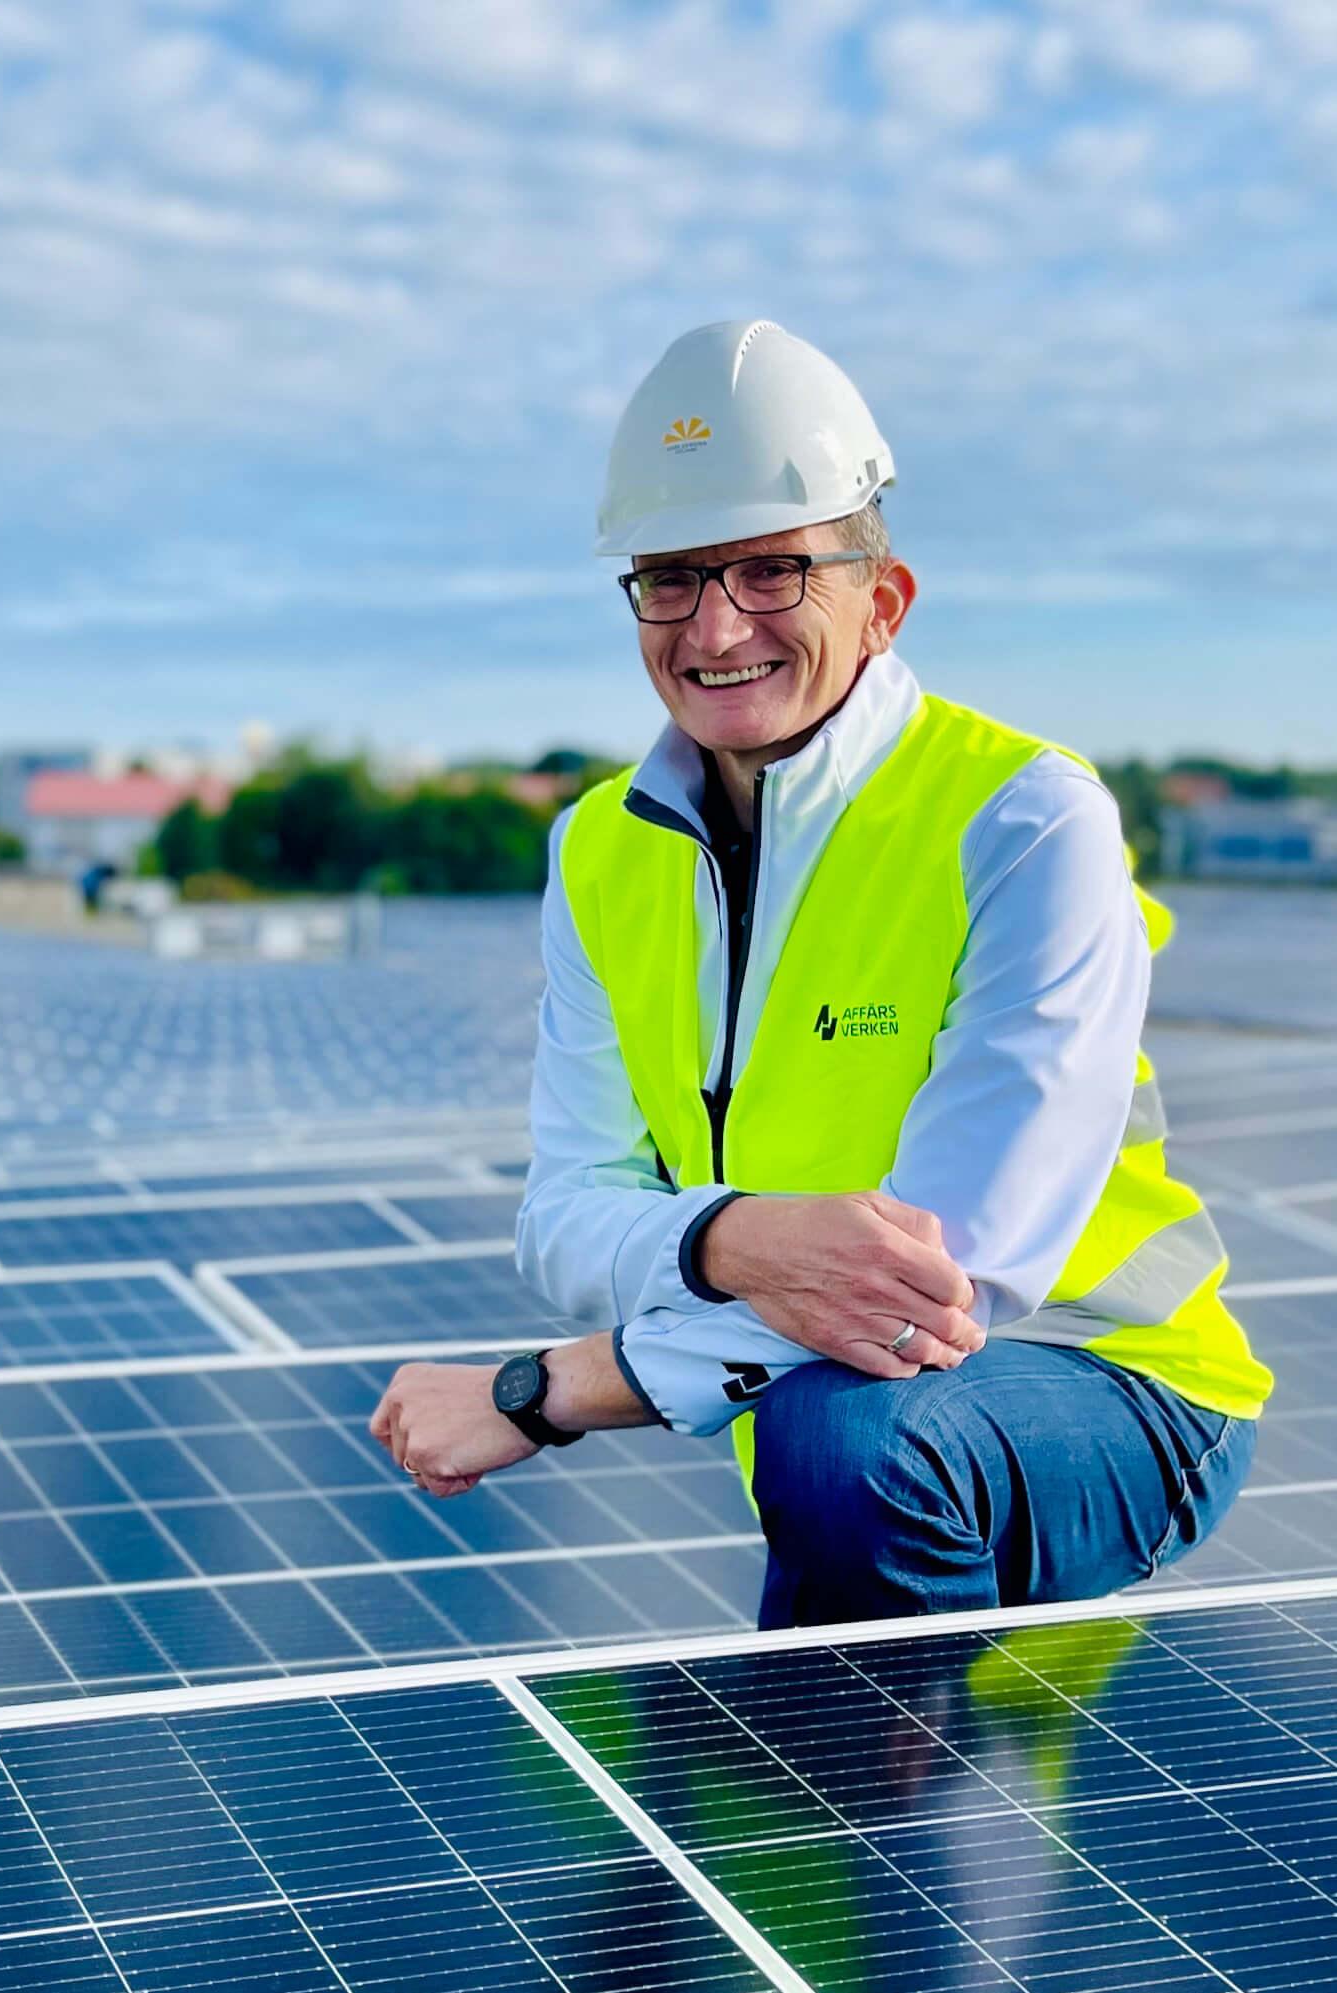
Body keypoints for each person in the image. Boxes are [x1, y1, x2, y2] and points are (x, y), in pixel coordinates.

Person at [369, 319, 1271, 1627]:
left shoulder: (1021, 818)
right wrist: (733, 1235)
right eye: (669, 578)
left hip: (1109, 1378)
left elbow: (955, 1278)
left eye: (771, 571)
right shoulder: (597, 850)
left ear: (880, 600)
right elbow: (562, 1217)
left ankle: (862, 1802)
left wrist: (545, 1390)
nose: (714, 624)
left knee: (844, 1439)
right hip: (812, 1393)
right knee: (817, 1441)